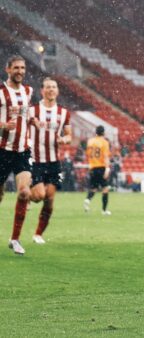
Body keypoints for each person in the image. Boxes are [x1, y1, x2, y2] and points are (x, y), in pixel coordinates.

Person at [28, 77, 72, 244]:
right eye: (48, 87)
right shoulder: (32, 111)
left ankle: (38, 234)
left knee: (49, 201)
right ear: (42, 90)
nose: (51, 90)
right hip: (36, 159)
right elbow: (23, 126)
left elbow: (69, 136)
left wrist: (64, 140)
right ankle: (27, 197)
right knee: (39, 195)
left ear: (57, 91)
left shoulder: (64, 113)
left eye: (54, 87)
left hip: (54, 162)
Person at [0, 55, 33, 255]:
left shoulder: (28, 91)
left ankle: (15, 239)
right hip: (2, 151)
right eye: (16, 68)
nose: (20, 71)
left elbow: (26, 116)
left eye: (22, 67)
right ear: (8, 69)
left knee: (24, 192)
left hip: (22, 151)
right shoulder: (2, 93)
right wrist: (2, 125)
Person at [83, 125, 111, 215]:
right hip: (101, 167)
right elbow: (106, 156)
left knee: (94, 187)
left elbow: (87, 154)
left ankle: (88, 200)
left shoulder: (90, 142)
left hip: (92, 167)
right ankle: (104, 210)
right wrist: (107, 168)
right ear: (103, 132)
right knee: (105, 189)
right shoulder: (104, 142)